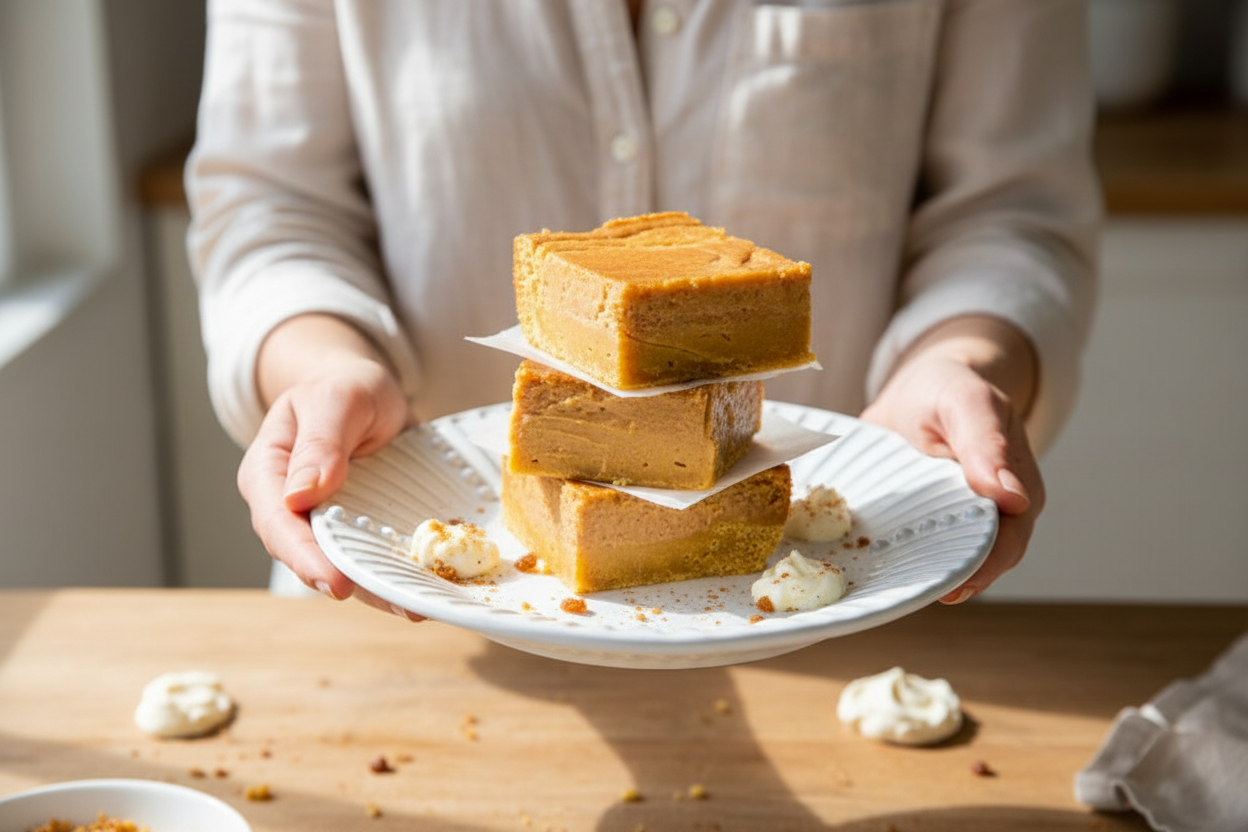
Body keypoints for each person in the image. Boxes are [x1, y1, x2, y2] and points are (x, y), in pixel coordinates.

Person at [186, 0, 1101, 616]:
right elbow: (270, 203)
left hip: (843, 588)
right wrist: (321, 366)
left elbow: (1010, 208)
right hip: (408, 596)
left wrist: (964, 359)